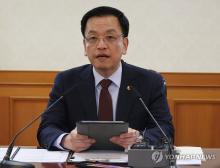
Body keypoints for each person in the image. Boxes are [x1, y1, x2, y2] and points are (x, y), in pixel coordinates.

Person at [37, 6, 174, 152]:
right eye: (93, 38)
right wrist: (66, 140)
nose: (101, 46)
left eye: (110, 37)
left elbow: (165, 130)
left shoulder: (150, 82)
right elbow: (47, 128)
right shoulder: (66, 81)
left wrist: (139, 139)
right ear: (85, 45)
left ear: (125, 45)